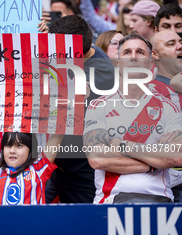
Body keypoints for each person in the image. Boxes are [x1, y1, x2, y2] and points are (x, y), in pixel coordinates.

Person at [84, 31, 182, 203]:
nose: (133, 57)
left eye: (140, 52)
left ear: (151, 63)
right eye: (127, 52)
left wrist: (121, 144)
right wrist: (154, 162)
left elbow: (176, 156)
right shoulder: (98, 105)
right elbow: (98, 158)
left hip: (160, 202)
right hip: (109, 202)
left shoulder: (169, 105)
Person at [45, 15, 115, 203]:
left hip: (82, 169)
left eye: (58, 49)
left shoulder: (102, 73)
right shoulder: (88, 49)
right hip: (57, 159)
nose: (54, 53)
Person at [0, 131, 62, 205]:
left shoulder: (38, 169)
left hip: (31, 224)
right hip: (1, 223)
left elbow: (58, 135)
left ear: (31, 149)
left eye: (19, 146)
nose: (12, 151)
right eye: (8, 145)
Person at [150, 30, 182, 202]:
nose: (180, 46)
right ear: (154, 54)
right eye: (171, 44)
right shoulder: (148, 93)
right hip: (170, 188)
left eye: (180, 42)